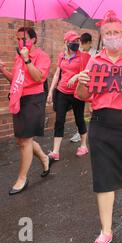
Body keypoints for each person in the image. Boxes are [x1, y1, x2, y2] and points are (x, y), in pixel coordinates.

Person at [76, 10, 122, 243]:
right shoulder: (94, 61)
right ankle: (105, 231)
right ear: (101, 36)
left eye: (116, 32)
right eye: (107, 33)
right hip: (101, 123)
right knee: (103, 176)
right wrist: (83, 82)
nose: (112, 36)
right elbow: (84, 96)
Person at [0, 27, 51, 195]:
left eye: (24, 38)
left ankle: (22, 178)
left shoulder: (42, 56)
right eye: (18, 39)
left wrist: (27, 60)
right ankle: (43, 157)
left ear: (33, 39)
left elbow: (38, 78)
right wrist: (3, 70)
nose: (20, 42)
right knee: (21, 140)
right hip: (19, 97)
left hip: (34, 100)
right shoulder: (18, 56)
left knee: (25, 140)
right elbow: (16, 80)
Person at [46, 31, 90, 162]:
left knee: (79, 119)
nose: (76, 43)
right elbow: (57, 74)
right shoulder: (62, 56)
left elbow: (89, 71)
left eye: (77, 41)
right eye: (73, 41)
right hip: (62, 92)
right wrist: (50, 91)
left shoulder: (83, 56)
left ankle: (83, 146)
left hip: (77, 93)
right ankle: (55, 151)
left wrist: (77, 76)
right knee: (59, 120)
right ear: (66, 42)